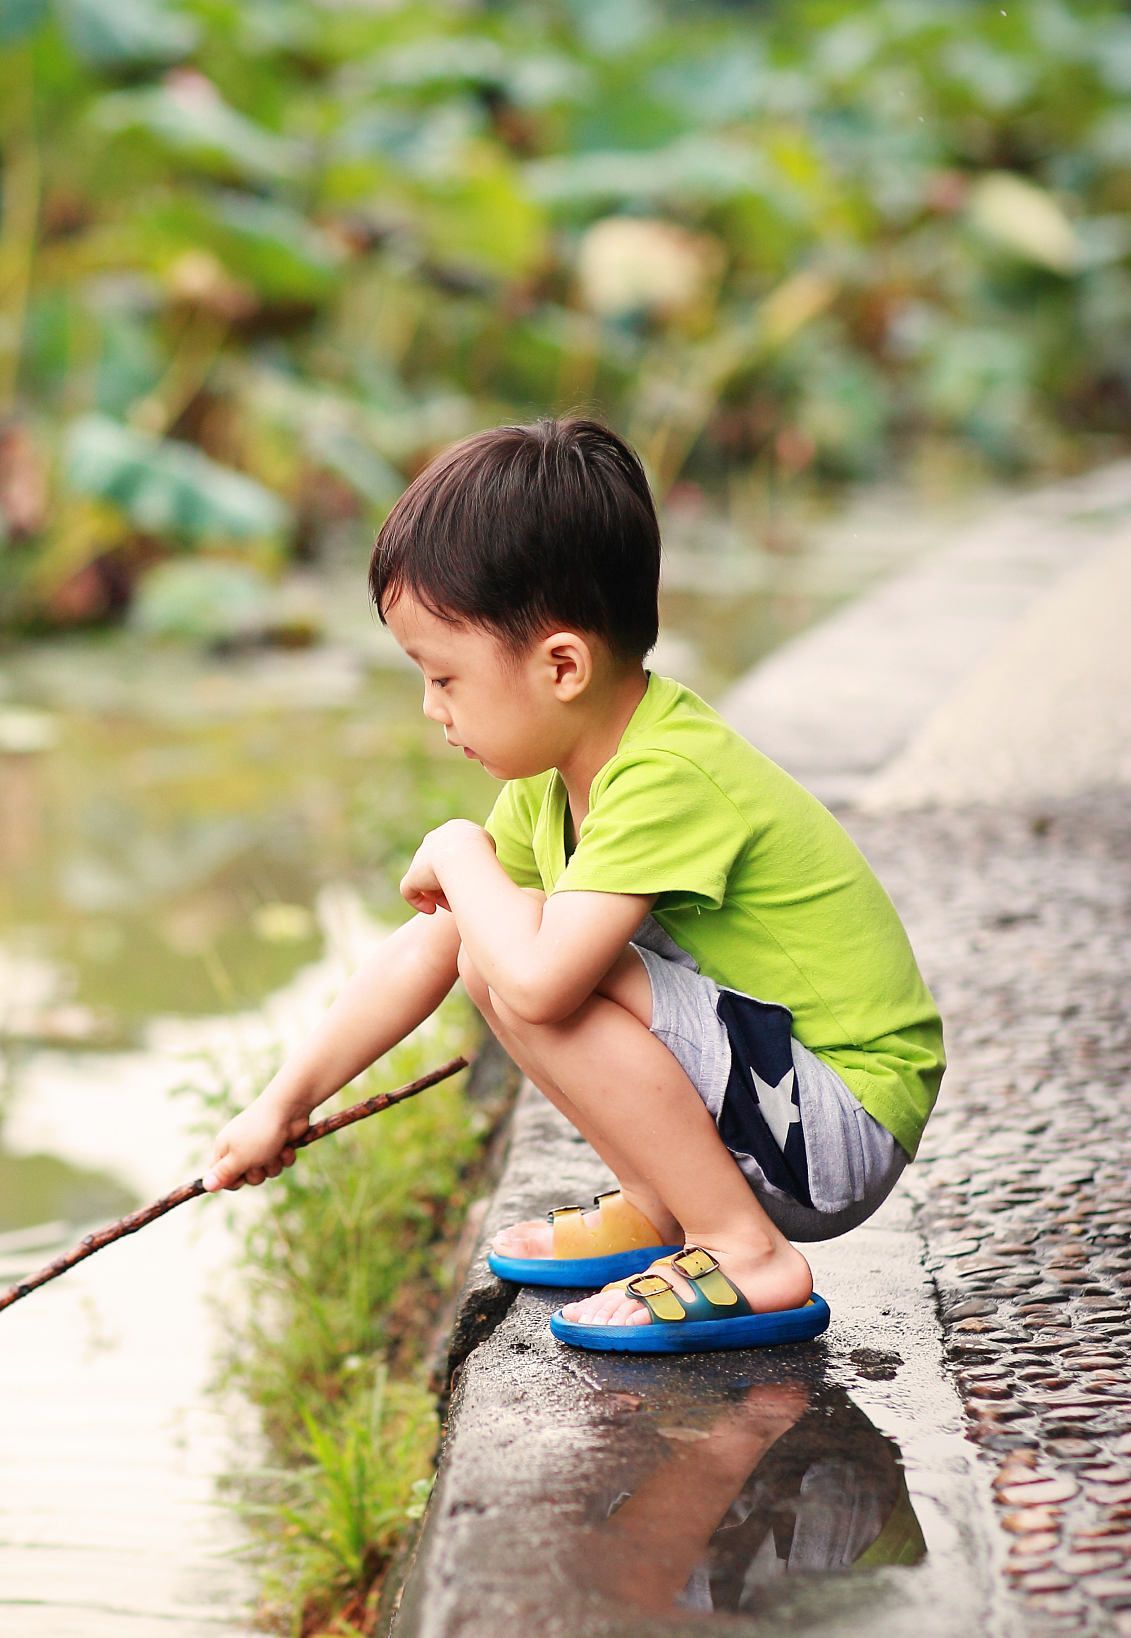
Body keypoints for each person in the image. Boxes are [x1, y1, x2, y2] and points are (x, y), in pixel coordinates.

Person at [204, 418, 945, 1349]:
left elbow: (544, 982)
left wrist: (456, 847)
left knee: (535, 962)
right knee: (494, 948)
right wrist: (285, 1100)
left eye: (443, 678)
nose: (433, 710)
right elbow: (434, 946)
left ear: (562, 664)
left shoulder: (667, 773)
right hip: (774, 1102)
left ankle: (743, 1249)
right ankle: (665, 1205)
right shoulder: (554, 784)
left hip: (835, 1120)